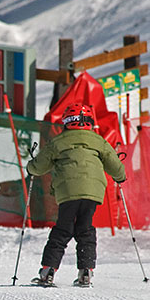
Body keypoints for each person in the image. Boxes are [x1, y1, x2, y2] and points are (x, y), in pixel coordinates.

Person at [27, 103, 126, 287]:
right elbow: (117, 167)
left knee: (63, 228)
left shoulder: (58, 142)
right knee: (85, 228)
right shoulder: (98, 141)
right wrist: (120, 177)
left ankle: (48, 271)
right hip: (93, 191)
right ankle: (85, 273)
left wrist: (30, 167)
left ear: (66, 122)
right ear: (89, 122)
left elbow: (38, 167)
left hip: (68, 190)